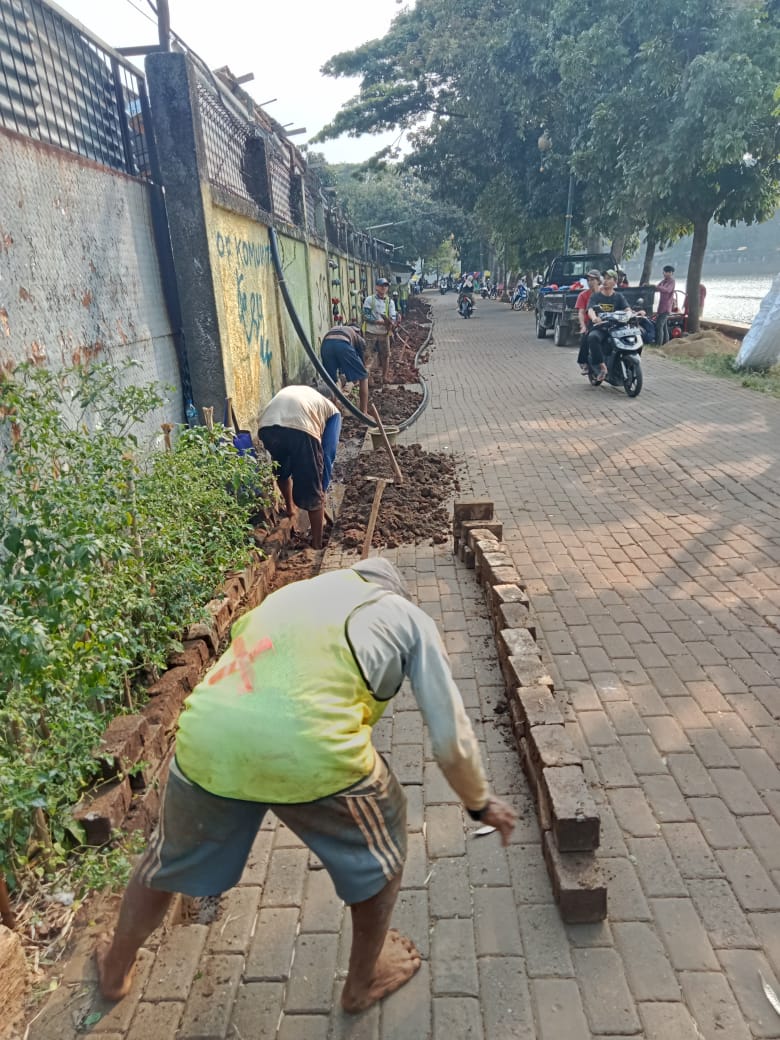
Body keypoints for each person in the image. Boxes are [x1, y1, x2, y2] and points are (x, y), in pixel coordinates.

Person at [96, 558, 517, 1013]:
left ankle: (115, 970)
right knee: (383, 853)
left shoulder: (296, 593)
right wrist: (478, 804)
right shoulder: (408, 619)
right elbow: (450, 740)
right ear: (394, 592)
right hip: (313, 752)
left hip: (207, 741)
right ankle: (362, 982)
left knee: (166, 859)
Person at [257, 384, 340, 549]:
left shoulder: (305, 395)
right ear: (332, 399)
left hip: (266, 427)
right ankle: (317, 544)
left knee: (282, 466)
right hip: (300, 428)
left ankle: (290, 510)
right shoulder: (333, 411)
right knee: (312, 490)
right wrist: (320, 489)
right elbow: (329, 452)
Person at [586, 269, 631, 382]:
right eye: (604, 278)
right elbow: (590, 309)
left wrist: (631, 314)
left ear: (615, 282)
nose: (605, 281)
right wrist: (594, 318)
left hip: (616, 328)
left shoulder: (619, 297)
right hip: (602, 328)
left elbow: (627, 309)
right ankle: (602, 367)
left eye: (608, 278)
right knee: (592, 337)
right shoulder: (596, 296)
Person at [320, 322, 369, 414]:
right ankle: (364, 413)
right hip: (342, 344)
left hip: (325, 345)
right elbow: (361, 362)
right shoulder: (358, 338)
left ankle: (333, 410)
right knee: (364, 377)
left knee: (331, 381)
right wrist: (361, 373)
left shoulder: (339, 329)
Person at [362, 277, 397, 386]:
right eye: (381, 285)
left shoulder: (390, 302)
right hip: (370, 332)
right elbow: (365, 315)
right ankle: (368, 379)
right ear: (376, 287)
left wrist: (393, 323)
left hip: (384, 334)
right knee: (368, 355)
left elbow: (393, 316)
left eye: (385, 286)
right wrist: (379, 322)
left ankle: (384, 377)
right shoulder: (369, 300)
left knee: (385, 355)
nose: (383, 288)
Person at [575, 270, 602, 374]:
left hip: (605, 322)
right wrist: (583, 326)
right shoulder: (583, 295)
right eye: (589, 280)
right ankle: (584, 362)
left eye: (593, 280)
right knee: (587, 337)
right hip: (591, 323)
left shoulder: (605, 293)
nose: (590, 282)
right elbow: (581, 312)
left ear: (599, 281)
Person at [654, 265, 676, 345]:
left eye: (667, 272)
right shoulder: (663, 281)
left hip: (666, 307)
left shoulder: (672, 281)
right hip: (661, 307)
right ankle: (666, 343)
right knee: (664, 327)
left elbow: (667, 290)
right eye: (664, 272)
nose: (665, 274)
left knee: (659, 326)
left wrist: (657, 287)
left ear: (671, 273)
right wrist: (650, 286)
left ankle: (658, 344)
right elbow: (657, 288)